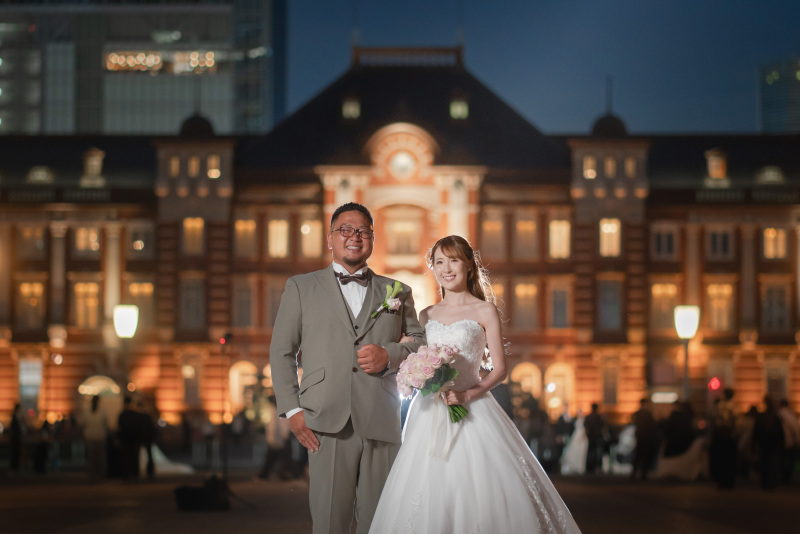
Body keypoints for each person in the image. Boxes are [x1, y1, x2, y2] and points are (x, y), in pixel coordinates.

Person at [369, 235, 581, 533]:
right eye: (439, 262)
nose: (446, 268)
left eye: (453, 260)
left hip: (473, 407)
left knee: (480, 487)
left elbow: (500, 370)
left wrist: (468, 394)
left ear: (469, 266)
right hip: (428, 412)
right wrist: (415, 374)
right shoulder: (426, 314)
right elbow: (413, 355)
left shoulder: (485, 311)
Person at [270, 202, 426, 534]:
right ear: (330, 239)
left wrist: (390, 354)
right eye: (345, 230)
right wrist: (292, 410)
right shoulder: (301, 287)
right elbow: (282, 352)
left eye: (363, 231)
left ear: (372, 239)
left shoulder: (397, 291)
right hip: (324, 422)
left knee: (382, 523)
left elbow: (420, 340)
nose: (354, 237)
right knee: (329, 523)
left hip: (381, 419)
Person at [709, 388, 738, 488]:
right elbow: (736, 422)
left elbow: (713, 419)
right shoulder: (733, 407)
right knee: (730, 460)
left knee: (721, 459)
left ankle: (721, 481)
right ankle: (729, 481)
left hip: (719, 435)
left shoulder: (719, 406)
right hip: (729, 435)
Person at [630, 398, 657, 481]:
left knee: (638, 455)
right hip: (646, 437)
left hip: (640, 436)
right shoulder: (648, 413)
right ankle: (643, 474)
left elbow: (634, 423)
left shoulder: (637, 413)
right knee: (645, 456)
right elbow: (652, 425)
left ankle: (634, 473)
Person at [82, 395, 108, 480]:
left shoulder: (89, 412)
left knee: (95, 457)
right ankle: (94, 474)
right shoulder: (100, 412)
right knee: (95, 457)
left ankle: (96, 474)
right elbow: (105, 424)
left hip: (95, 436)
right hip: (96, 436)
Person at [583, 403, 606, 474]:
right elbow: (602, 427)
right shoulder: (598, 417)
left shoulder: (589, 417)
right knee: (596, 453)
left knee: (590, 453)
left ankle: (589, 468)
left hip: (591, 437)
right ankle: (595, 467)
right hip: (596, 437)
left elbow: (586, 427)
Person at [9, 403, 26, 474]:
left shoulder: (18, 417)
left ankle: (16, 468)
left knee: (17, 454)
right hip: (15, 439)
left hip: (17, 439)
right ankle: (14, 468)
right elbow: (14, 428)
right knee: (15, 454)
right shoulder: (15, 417)